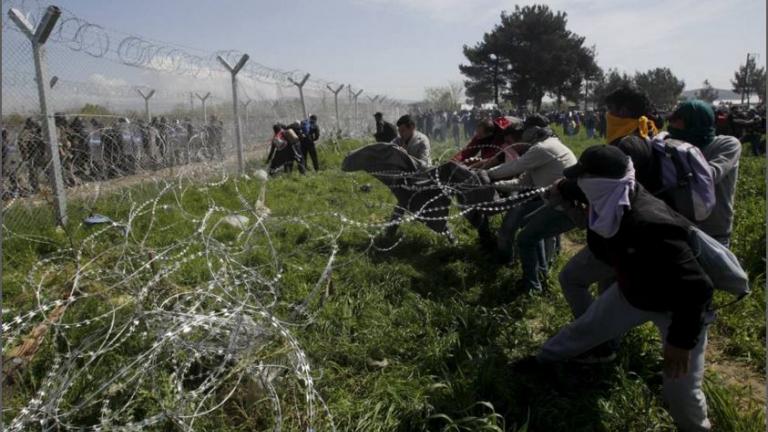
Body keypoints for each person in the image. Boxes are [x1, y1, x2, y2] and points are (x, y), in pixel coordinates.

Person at [538, 145, 714, 432]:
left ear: (599, 182)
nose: (581, 182)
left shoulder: (649, 222)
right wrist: (561, 189)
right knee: (583, 330)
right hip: (633, 291)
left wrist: (681, 342)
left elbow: (697, 288)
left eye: (585, 177)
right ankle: (541, 361)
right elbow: (575, 187)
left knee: (680, 393)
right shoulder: (611, 191)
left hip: (676, 308)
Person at [483, 114, 578, 291]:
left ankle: (532, 287)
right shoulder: (546, 147)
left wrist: (487, 174)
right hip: (559, 203)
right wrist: (495, 184)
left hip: (564, 207)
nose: (523, 132)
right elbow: (522, 182)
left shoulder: (543, 148)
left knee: (525, 238)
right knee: (532, 230)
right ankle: (541, 275)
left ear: (534, 131)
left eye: (526, 128)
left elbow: (515, 167)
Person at [667, 100, 741, 247]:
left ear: (693, 122)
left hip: (713, 232)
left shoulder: (726, 145)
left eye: (676, 120)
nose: (672, 126)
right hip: (682, 227)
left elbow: (709, 176)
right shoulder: (673, 144)